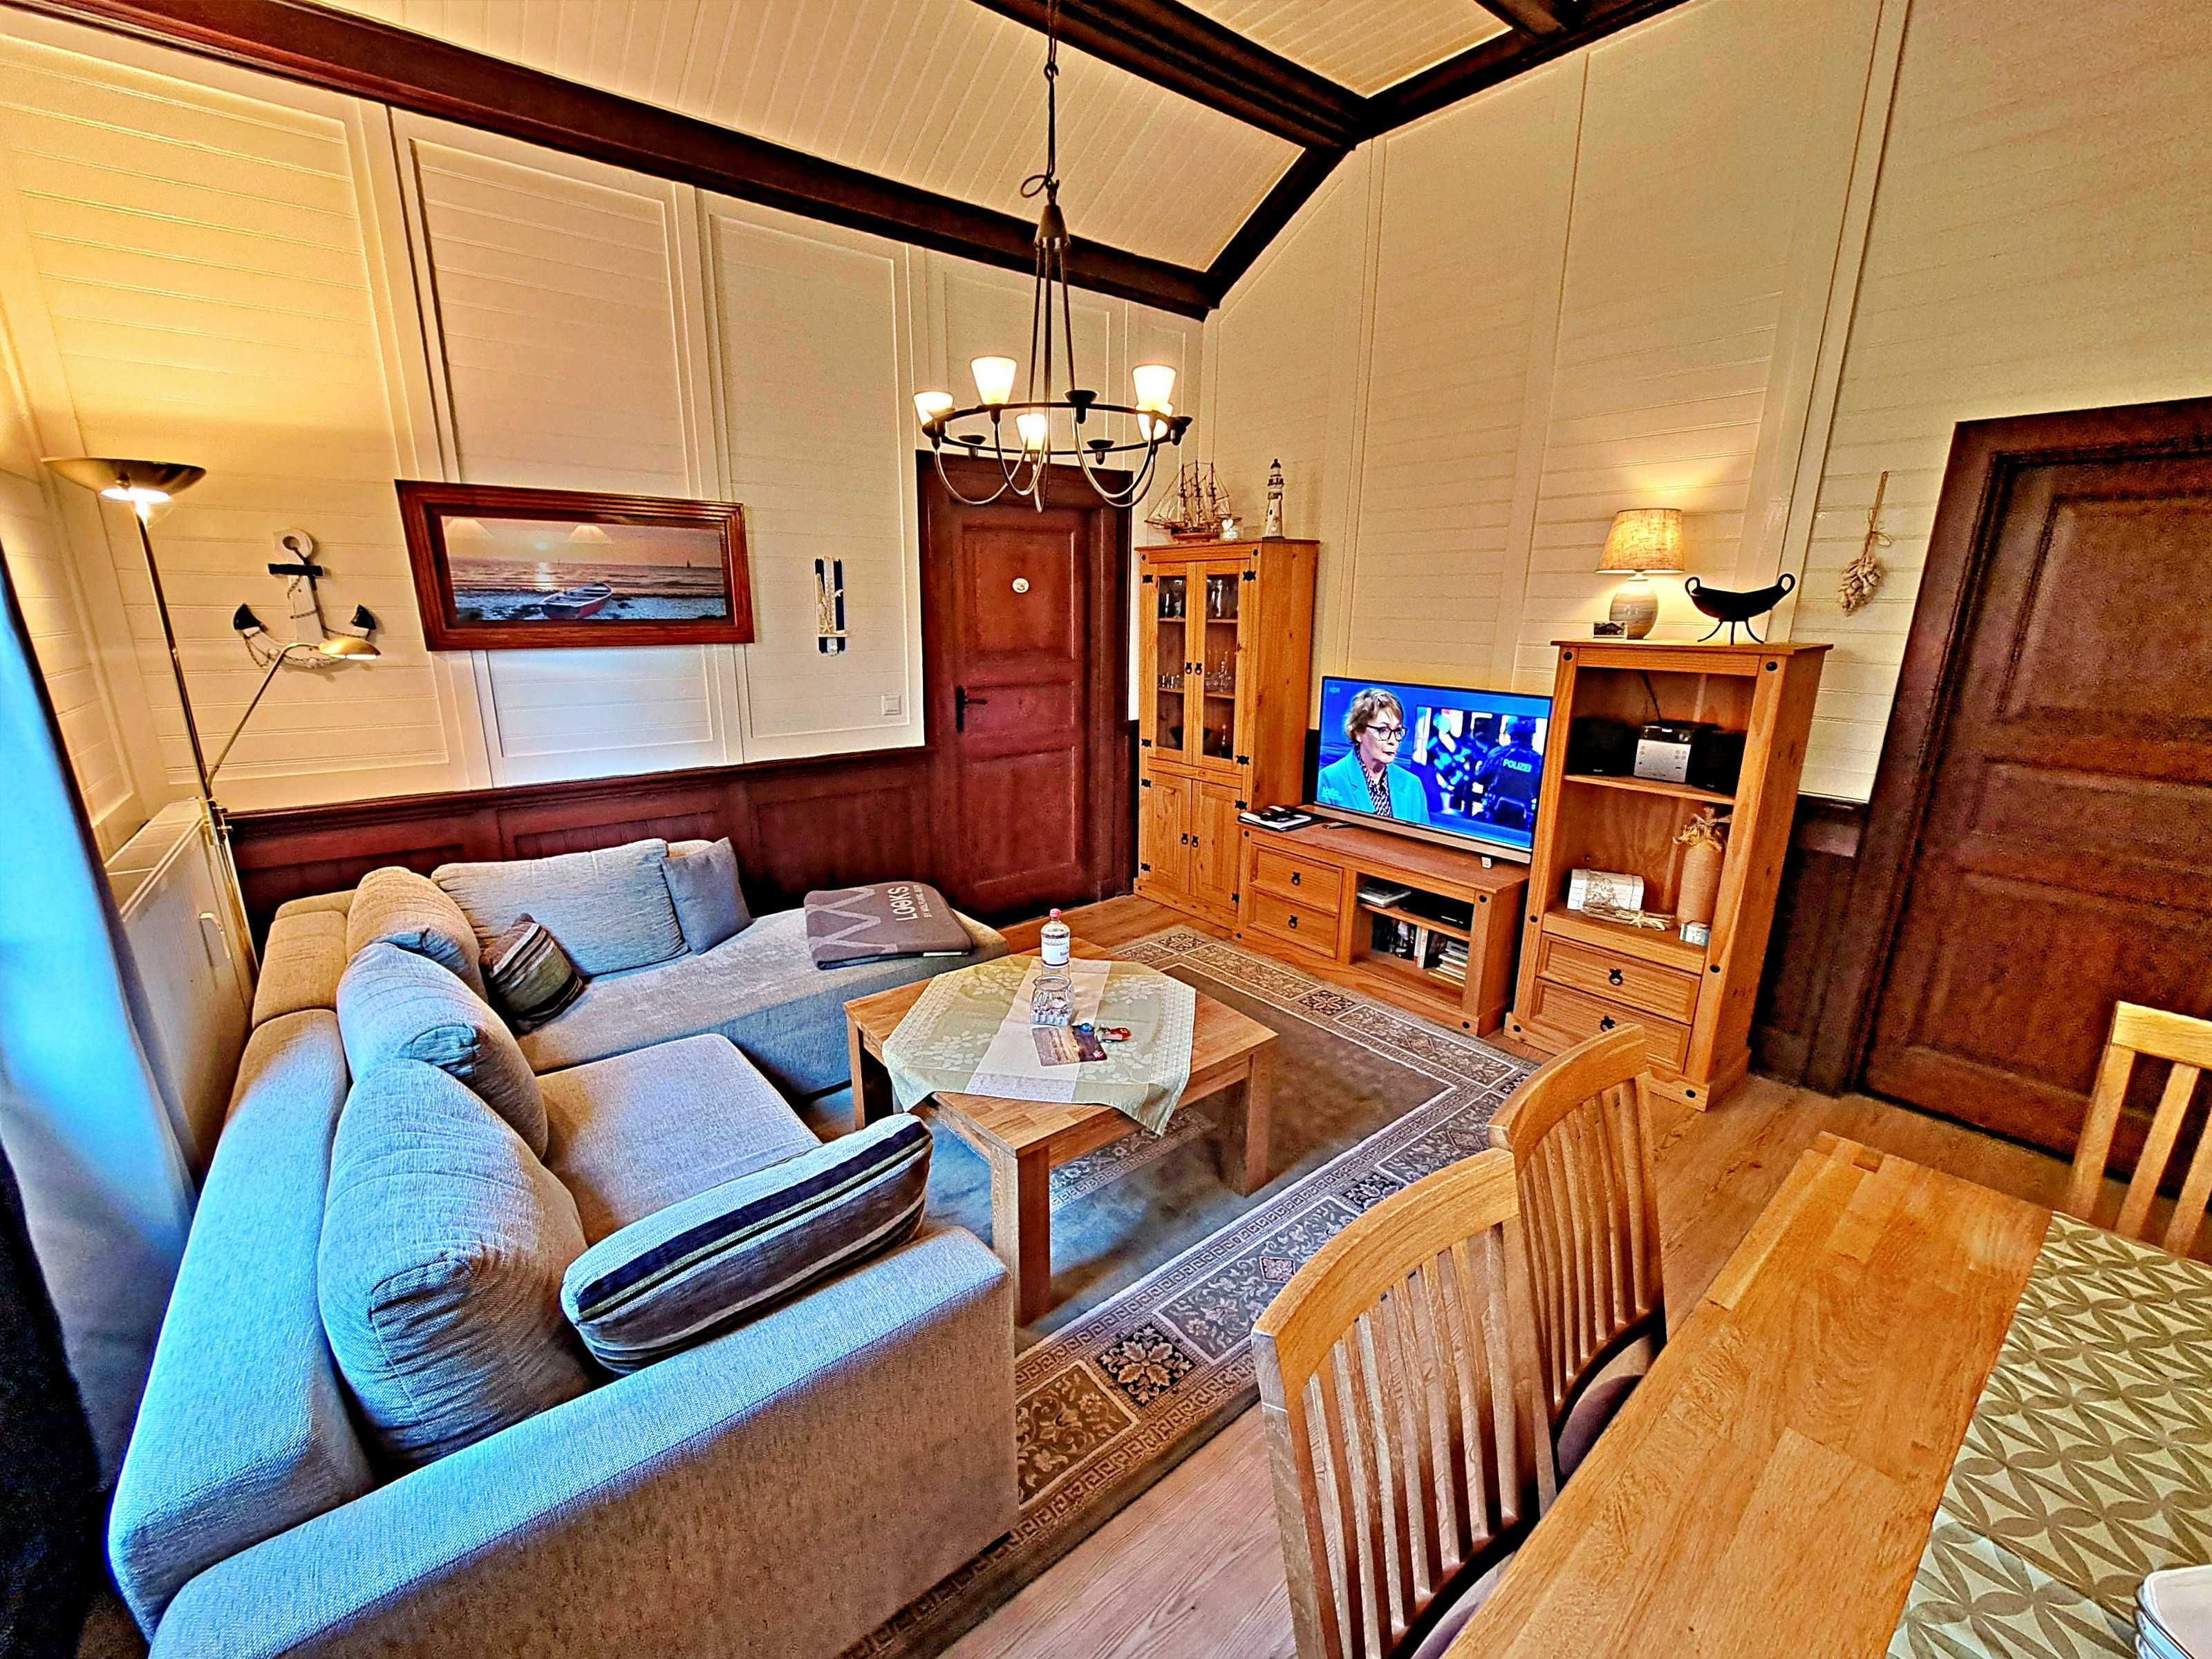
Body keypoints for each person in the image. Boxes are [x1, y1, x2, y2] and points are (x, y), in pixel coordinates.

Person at [1316, 688, 1432, 825]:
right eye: (1383, 730)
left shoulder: (1413, 785)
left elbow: (1424, 837)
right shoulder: (1329, 779)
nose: (1393, 741)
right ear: (1358, 733)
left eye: (1397, 731)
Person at [1472, 715, 1544, 830]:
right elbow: (1540, 792)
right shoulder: (1539, 760)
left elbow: (1481, 778)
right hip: (1521, 823)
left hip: (1493, 816)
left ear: (1510, 733)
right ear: (1531, 735)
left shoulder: (1498, 753)